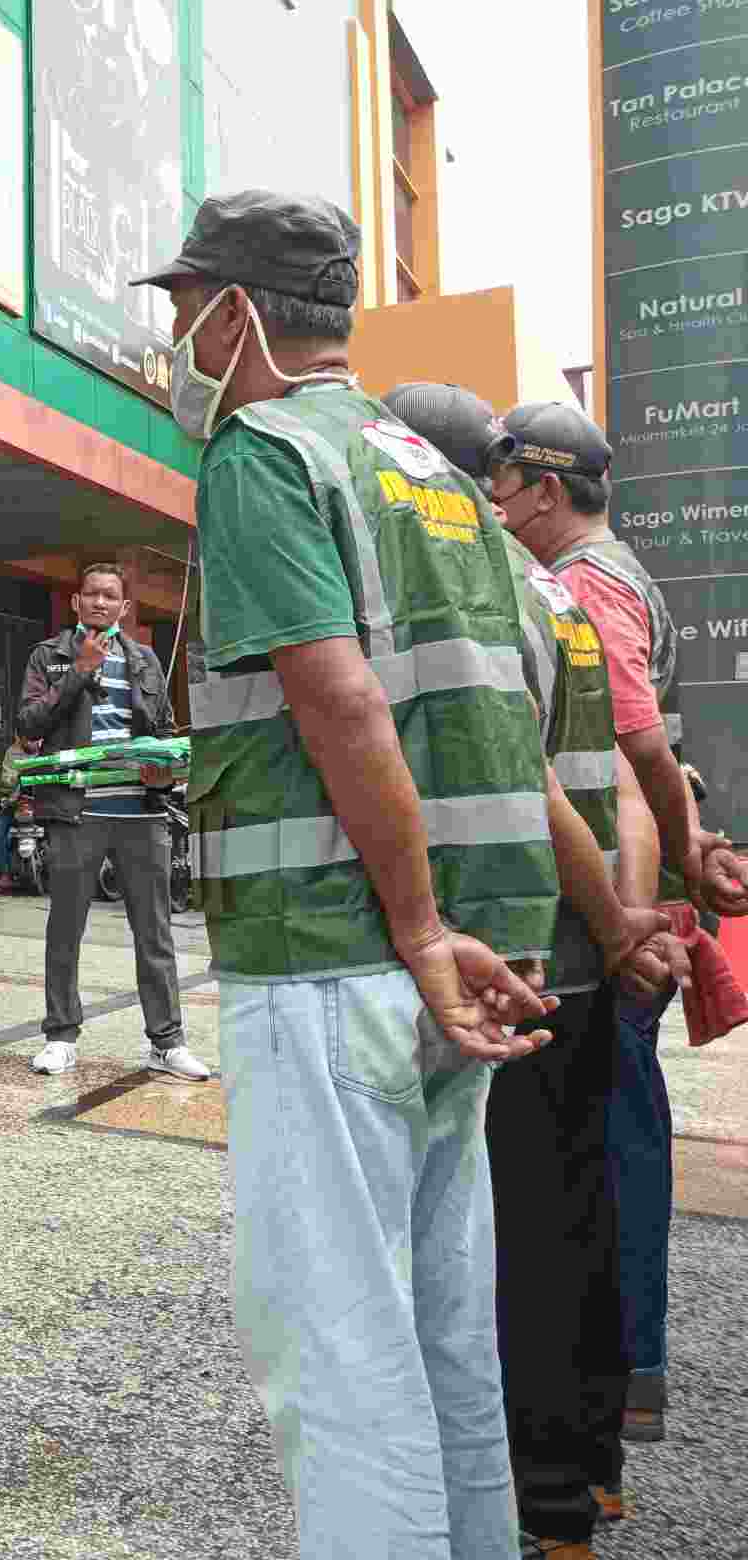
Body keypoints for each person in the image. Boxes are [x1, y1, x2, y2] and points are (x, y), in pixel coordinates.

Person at [131, 191, 561, 1557]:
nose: (177, 337)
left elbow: (342, 701)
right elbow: (507, 706)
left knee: (339, 1350)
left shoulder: (269, 451)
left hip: (333, 953)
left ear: (238, 310)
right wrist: (459, 936)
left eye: (183, 308)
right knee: (444, 1329)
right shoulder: (430, 473)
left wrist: (423, 930)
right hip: (443, 970)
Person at [386, 381, 687, 1554]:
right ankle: (582, 1476)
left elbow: (541, 781)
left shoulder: (490, 589)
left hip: (521, 967)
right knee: (577, 1218)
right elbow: (627, 767)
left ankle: (540, 1499)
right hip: (572, 959)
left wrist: (617, 928)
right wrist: (626, 920)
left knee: (513, 1250)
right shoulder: (564, 597)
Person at [486, 400, 748, 1445]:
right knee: (608, 1139)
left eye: (502, 492)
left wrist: (624, 926)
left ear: (547, 492)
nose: (494, 511)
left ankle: (612, 1375)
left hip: (599, 916)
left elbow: (625, 765)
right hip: (613, 902)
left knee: (600, 1147)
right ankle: (611, 1376)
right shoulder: (623, 573)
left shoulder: (585, 585)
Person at [15, 562, 205, 1081]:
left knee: (155, 931)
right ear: (76, 602)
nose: (100, 603)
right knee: (65, 928)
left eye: (111, 597)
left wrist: (162, 769)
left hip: (140, 813)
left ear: (124, 608)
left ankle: (166, 1043)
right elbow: (28, 722)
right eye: (91, 594)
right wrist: (79, 670)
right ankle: (60, 1036)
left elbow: (162, 730)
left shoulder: (144, 660)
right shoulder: (49, 656)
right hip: (76, 811)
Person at [0, 733, 37, 892]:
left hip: (43, 803)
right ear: (19, 737)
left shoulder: (48, 749)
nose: (31, 741)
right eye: (27, 737)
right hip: (16, 802)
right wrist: (16, 776)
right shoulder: (12, 753)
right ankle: (5, 875)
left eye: (35, 737)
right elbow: (6, 779)